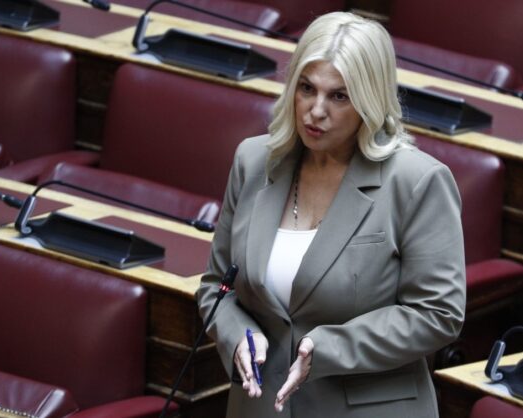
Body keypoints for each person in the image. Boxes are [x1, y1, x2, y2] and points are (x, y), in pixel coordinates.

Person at [196, 11, 466, 418]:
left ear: (369, 101)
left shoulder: (416, 182)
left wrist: (326, 348)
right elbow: (217, 287)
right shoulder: (254, 162)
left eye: (338, 96)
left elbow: (437, 314)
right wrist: (237, 335)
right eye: (307, 88)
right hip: (261, 406)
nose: (315, 111)